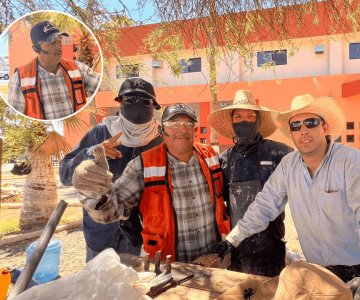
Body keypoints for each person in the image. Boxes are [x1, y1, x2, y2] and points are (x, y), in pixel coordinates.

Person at [216, 94, 360, 296]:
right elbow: (264, 206)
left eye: (311, 122)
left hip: (356, 269)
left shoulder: (350, 162)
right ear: (291, 132)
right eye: (296, 125)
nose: (303, 130)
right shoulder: (288, 166)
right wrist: (231, 240)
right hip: (317, 273)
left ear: (325, 127)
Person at [71, 103, 230, 262]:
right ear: (162, 131)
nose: (182, 129)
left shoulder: (210, 156)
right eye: (173, 124)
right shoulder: (142, 165)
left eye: (188, 123)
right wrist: (94, 191)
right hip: (167, 264)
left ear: (195, 130)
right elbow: (110, 212)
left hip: (213, 259)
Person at [60, 77, 163, 262]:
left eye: (144, 101)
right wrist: (92, 152)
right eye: (131, 99)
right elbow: (65, 174)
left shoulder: (161, 139)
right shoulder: (100, 133)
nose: (137, 105)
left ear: (154, 106)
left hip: (139, 236)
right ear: (120, 103)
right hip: (100, 235)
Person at [208, 90, 293, 277]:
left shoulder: (280, 154)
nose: (244, 120)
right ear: (232, 123)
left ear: (259, 121)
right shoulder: (224, 160)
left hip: (271, 250)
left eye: (250, 116)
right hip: (236, 248)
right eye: (238, 116)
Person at [8, 21, 101, 120]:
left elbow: (101, 84)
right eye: (52, 42)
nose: (58, 47)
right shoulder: (20, 79)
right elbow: (16, 117)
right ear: (36, 48)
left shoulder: (77, 69)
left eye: (59, 41)